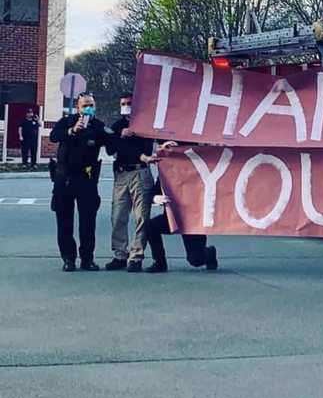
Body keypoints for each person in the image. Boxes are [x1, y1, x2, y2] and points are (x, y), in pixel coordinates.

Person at [50, 93, 115, 272]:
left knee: (88, 221)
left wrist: (117, 134)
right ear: (78, 107)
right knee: (64, 221)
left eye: (91, 105)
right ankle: (68, 258)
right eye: (85, 105)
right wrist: (72, 130)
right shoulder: (67, 121)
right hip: (64, 179)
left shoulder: (98, 126)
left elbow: (112, 146)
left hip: (86, 180)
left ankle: (87, 259)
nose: (88, 108)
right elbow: (54, 136)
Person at [144, 143, 218, 273]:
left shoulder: (199, 172)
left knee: (196, 260)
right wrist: (156, 198)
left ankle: (209, 253)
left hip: (194, 219)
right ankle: (160, 262)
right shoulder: (168, 172)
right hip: (174, 217)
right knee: (150, 226)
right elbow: (152, 192)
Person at [105, 93, 157, 273]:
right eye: (123, 104)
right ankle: (120, 253)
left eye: (129, 103)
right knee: (118, 215)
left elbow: (144, 149)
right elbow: (111, 148)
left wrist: (136, 152)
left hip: (139, 172)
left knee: (141, 216)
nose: (126, 106)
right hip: (121, 174)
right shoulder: (117, 126)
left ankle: (136, 256)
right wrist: (121, 135)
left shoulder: (144, 125)